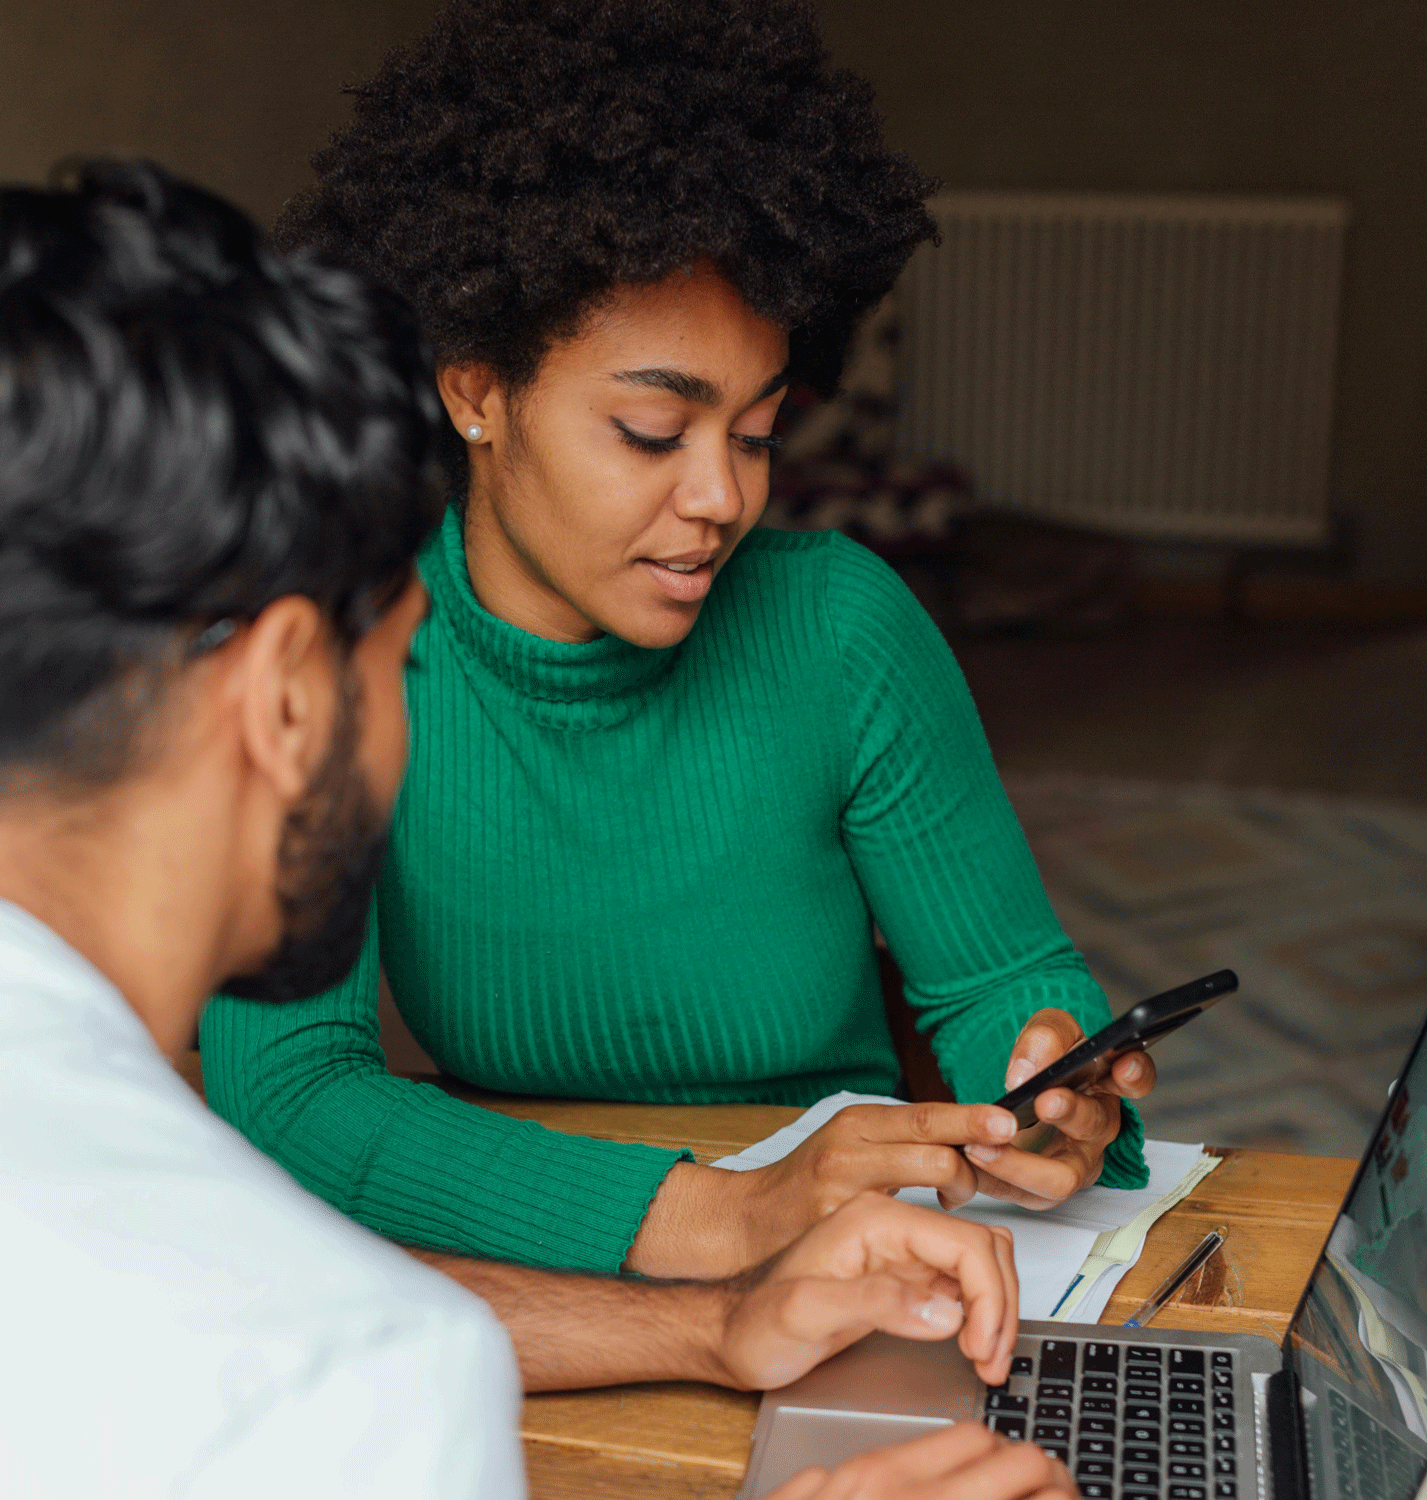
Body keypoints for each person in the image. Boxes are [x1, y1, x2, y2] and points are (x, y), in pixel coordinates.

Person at [0, 159, 1075, 1500]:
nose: (718, 495)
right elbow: (296, 1309)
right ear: (289, 696)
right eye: (398, 659)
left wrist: (706, 1328)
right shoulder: (360, 1384)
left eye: (756, 432)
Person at [200, 0, 1157, 1283]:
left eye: (756, 433)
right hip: (538, 1251)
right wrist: (715, 1217)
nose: (723, 497)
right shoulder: (342, 649)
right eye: (656, 431)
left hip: (855, 1256)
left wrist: (1051, 1076)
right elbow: (295, 1090)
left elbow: (1002, 980)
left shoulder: (840, 626)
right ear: (476, 389)